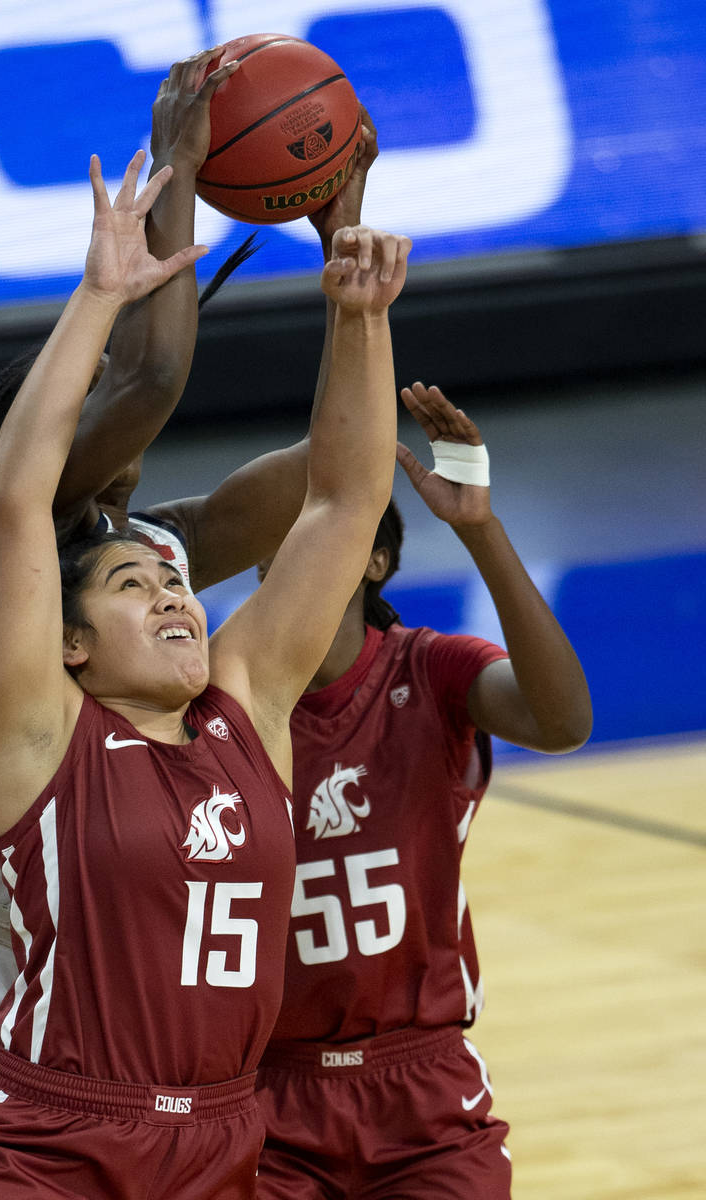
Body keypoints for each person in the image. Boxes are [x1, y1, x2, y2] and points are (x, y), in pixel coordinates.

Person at [0, 65, 384, 1199]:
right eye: (100, 402)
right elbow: (156, 374)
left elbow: (330, 488)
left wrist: (351, 282)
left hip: (83, 957)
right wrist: (175, 167)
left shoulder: (144, 561)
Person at [253, 381, 593, 1199]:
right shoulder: (223, 697)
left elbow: (563, 722)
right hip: (267, 1091)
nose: (303, 543)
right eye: (284, 532)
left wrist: (480, 531)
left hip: (421, 1084)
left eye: (330, 525)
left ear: (375, 559)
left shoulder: (429, 669)